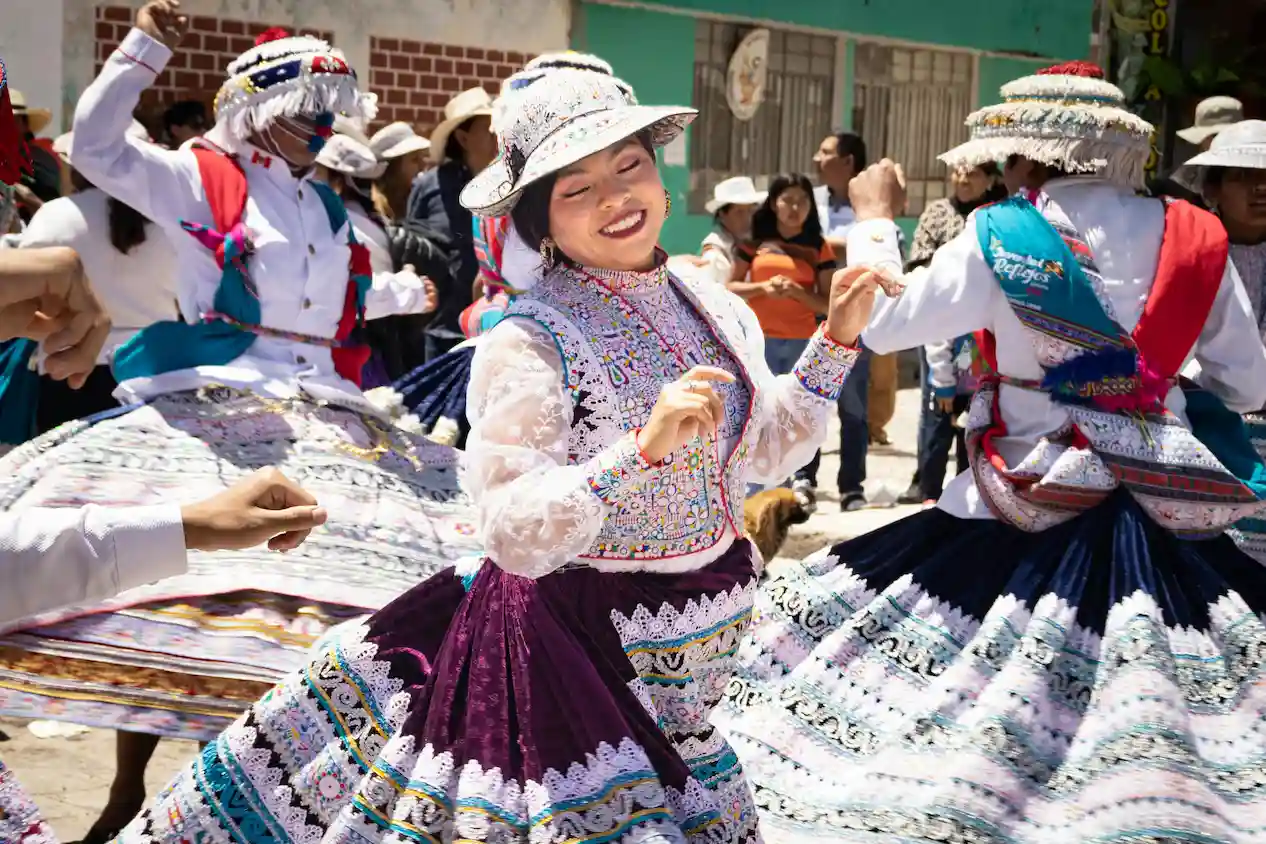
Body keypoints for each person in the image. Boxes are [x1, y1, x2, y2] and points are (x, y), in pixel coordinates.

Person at [113, 58, 876, 844]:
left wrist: (836, 341)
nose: (615, 198)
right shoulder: (530, 339)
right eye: (577, 188)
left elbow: (765, 452)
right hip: (570, 660)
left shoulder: (711, 305)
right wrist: (637, 454)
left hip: (698, 663)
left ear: (660, 176)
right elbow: (511, 528)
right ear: (540, 221)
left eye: (629, 166)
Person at [718, 61, 1266, 842]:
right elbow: (1248, 386)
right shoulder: (1197, 236)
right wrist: (1142, 381)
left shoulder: (1003, 233)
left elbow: (883, 325)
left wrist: (874, 220)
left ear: (1026, 159)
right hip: (1160, 503)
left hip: (1021, 500)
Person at [0, 6, 479, 841]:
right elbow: (99, 145)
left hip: (328, 403)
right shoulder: (197, 174)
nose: (321, 127)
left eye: (329, 112)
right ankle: (144, 792)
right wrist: (145, 46)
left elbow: (332, 305)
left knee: (350, 598)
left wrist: (400, 295)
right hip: (216, 396)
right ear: (256, 107)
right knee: (191, 590)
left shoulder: (325, 206)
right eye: (306, 109)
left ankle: (270, 795)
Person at [15, 121, 178, 436]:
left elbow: (26, 296)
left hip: (67, 372)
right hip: (154, 371)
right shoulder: (169, 221)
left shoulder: (55, 216)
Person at [1173, 119, 1266, 562]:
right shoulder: (1186, 252)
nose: (1259, 189)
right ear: (1213, 188)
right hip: (1204, 425)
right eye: (1242, 177)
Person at [897, 162, 1007, 505]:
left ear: (990, 179)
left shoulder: (998, 215)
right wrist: (949, 279)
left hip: (985, 331)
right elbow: (918, 262)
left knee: (978, 412)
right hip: (941, 323)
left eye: (972, 173)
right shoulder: (937, 213)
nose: (962, 178)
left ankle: (969, 484)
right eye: (958, 172)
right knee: (937, 404)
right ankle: (926, 482)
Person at [406, 86, 499, 360]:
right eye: (489, 130)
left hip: (491, 331)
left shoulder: (507, 188)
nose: (498, 136)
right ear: (463, 138)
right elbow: (410, 250)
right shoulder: (430, 187)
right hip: (438, 335)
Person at [700, 175, 763, 285]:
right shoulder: (715, 256)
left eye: (751, 211)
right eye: (739, 212)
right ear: (722, 214)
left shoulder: (753, 243)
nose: (747, 218)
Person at [368, 120, 430, 221]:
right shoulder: (373, 214)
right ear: (393, 168)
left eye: (422, 157)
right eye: (414, 159)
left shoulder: (419, 203)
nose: (422, 165)